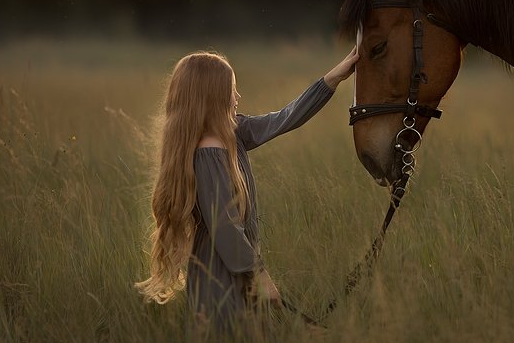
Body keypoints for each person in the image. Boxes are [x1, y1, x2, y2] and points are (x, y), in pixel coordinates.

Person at [136, 47, 358, 328]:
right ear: (212, 96)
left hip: (238, 269)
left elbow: (285, 118)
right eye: (231, 89)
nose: (237, 96)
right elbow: (225, 227)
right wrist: (259, 276)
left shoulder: (234, 133)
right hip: (220, 275)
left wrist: (332, 79)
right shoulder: (208, 154)